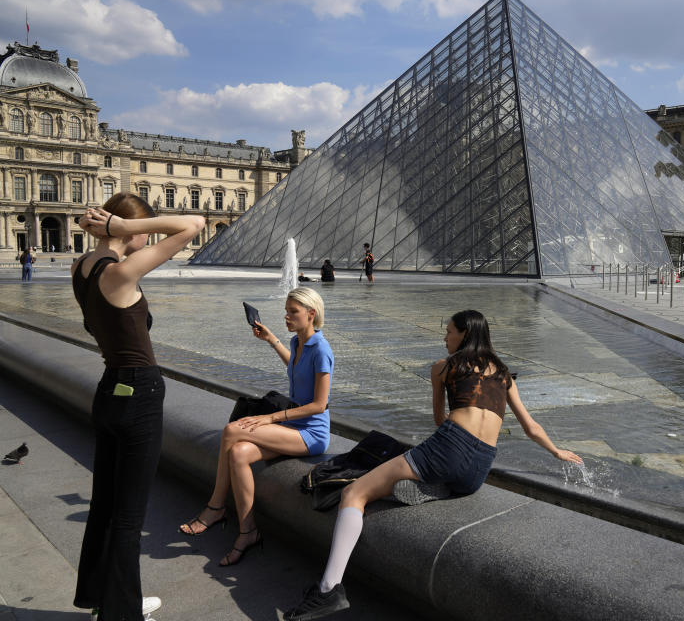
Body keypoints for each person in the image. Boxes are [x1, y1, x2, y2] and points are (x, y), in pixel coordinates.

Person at [282, 309, 583, 620]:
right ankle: (434, 486)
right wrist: (557, 451)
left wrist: (431, 453)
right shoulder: (503, 373)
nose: (444, 337)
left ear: (464, 334)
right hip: (478, 470)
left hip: (449, 447)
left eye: (449, 331)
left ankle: (328, 590)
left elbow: (441, 421)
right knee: (427, 472)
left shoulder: (443, 367)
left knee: (355, 494)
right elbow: (531, 426)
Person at [71, 194, 204, 621]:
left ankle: (102, 597)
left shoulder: (81, 269)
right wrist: (121, 229)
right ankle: (123, 613)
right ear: (127, 228)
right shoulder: (122, 272)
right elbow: (194, 224)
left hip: (109, 391)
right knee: (129, 518)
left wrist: (114, 232)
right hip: (139, 396)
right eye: (144, 229)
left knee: (104, 507)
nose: (147, 237)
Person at [179, 287, 333, 567]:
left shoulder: (321, 349)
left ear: (311, 314)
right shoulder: (298, 344)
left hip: (311, 433)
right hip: (292, 426)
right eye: (286, 311)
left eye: (292, 312)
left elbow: (319, 405)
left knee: (232, 431)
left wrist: (271, 418)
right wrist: (272, 339)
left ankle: (215, 507)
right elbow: (296, 370)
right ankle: (248, 530)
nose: (286, 316)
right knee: (238, 453)